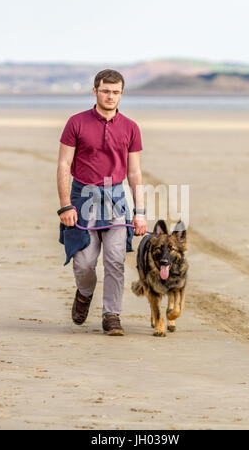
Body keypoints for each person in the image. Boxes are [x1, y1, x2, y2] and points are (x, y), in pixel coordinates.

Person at [57, 69, 147, 336]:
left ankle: (111, 316)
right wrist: (65, 205)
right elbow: (64, 164)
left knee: (115, 261)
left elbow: (134, 172)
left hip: (117, 199)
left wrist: (140, 212)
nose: (110, 96)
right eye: (105, 91)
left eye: (115, 92)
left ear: (121, 94)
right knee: (84, 262)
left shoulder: (131, 127)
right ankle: (84, 293)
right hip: (81, 197)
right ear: (95, 91)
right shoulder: (76, 122)